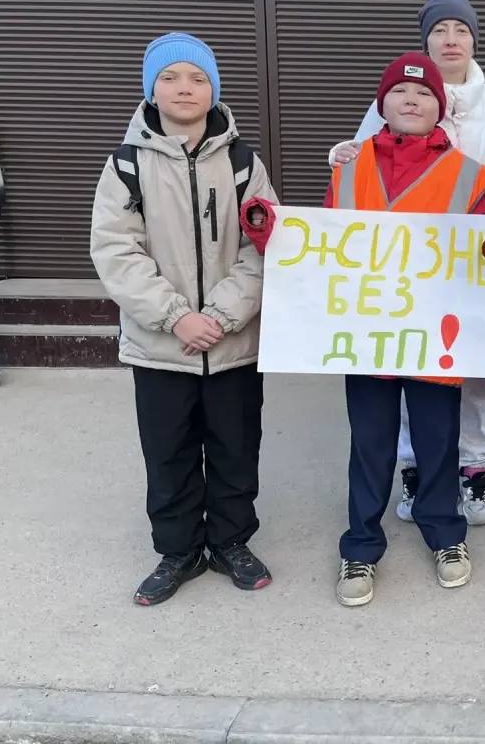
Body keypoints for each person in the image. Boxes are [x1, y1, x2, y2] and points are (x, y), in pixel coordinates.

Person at [246, 52, 485, 607]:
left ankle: (445, 535)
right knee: (370, 446)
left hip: (435, 339)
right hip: (366, 340)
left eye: (425, 93)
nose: (412, 100)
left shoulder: (472, 176)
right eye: (400, 91)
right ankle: (360, 544)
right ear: (382, 103)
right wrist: (270, 232)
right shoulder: (349, 166)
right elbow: (321, 247)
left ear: (440, 107)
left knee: (439, 443)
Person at [90, 32, 277, 606]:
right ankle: (178, 550)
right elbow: (115, 250)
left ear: (213, 89)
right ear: (151, 90)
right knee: (167, 451)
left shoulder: (243, 163)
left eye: (197, 78)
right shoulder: (126, 165)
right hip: (161, 346)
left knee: (235, 447)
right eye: (169, 78)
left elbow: (264, 246)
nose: (184, 88)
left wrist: (219, 315)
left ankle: (230, 542)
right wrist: (176, 317)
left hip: (231, 343)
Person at [330, 0, 485, 527]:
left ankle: (474, 471)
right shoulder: (400, 98)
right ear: (426, 40)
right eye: (440, 30)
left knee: (477, 374)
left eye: (461, 30)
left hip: (475, 266)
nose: (451, 39)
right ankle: (414, 468)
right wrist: (338, 155)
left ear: (474, 40)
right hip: (402, 272)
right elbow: (361, 165)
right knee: (403, 364)